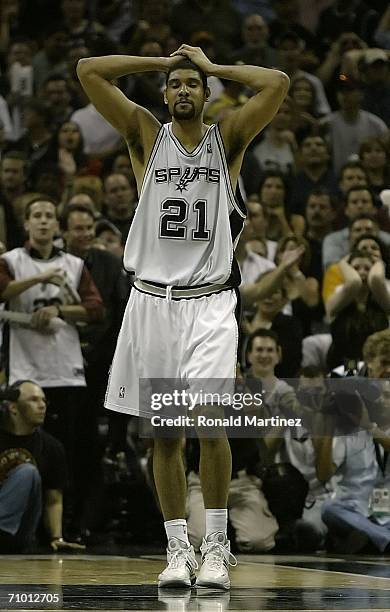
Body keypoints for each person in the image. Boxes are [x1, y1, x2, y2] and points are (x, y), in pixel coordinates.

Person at [77, 44, 289, 588]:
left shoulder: (229, 139)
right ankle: (177, 550)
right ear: (166, 93)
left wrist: (213, 65)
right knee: (165, 436)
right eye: (177, 85)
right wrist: (160, 65)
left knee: (210, 427)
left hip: (211, 301)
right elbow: (89, 72)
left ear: (208, 94)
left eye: (194, 85)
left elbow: (278, 82)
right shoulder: (145, 135)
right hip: (151, 301)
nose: (184, 91)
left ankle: (216, 548)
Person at [0, 380, 85, 553]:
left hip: (18, 532)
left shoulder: (51, 447)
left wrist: (56, 537)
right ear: (13, 408)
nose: (42, 406)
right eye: (33, 400)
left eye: (44, 401)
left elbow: (54, 500)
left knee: (27, 472)